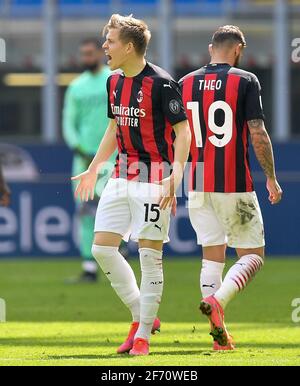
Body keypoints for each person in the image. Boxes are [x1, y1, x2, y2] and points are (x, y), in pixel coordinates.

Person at [72, 14, 191, 356]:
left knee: (150, 259)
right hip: (121, 175)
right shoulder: (113, 82)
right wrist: (95, 168)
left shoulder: (163, 84)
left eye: (109, 41)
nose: (104, 47)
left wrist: (177, 173)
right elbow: (113, 130)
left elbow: (183, 132)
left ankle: (142, 337)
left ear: (128, 46)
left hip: (155, 178)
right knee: (101, 249)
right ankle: (143, 316)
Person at [180, 25, 282, 350]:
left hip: (194, 179)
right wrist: (271, 176)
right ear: (239, 49)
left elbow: (177, 137)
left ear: (212, 47)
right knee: (254, 255)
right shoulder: (245, 80)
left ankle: (219, 336)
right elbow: (257, 132)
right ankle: (219, 301)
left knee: (211, 257)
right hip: (233, 181)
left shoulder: (183, 84)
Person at [63, 38, 114, 283]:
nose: (87, 57)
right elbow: (68, 123)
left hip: (113, 157)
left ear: (99, 54)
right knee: (85, 212)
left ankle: (117, 260)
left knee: (115, 210)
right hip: (84, 160)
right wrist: (78, 147)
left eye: (90, 53)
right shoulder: (76, 87)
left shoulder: (112, 80)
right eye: (83, 54)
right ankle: (89, 268)